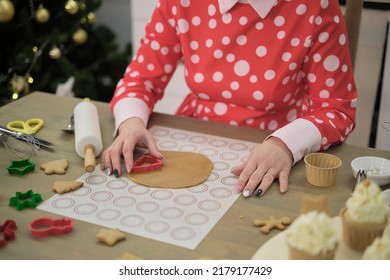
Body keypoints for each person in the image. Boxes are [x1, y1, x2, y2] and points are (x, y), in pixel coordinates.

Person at [100, 0, 357, 198]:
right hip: (191, 138)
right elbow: (140, 79)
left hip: (277, 150)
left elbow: (336, 110)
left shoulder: (317, 6)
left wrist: (285, 145)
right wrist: (131, 123)